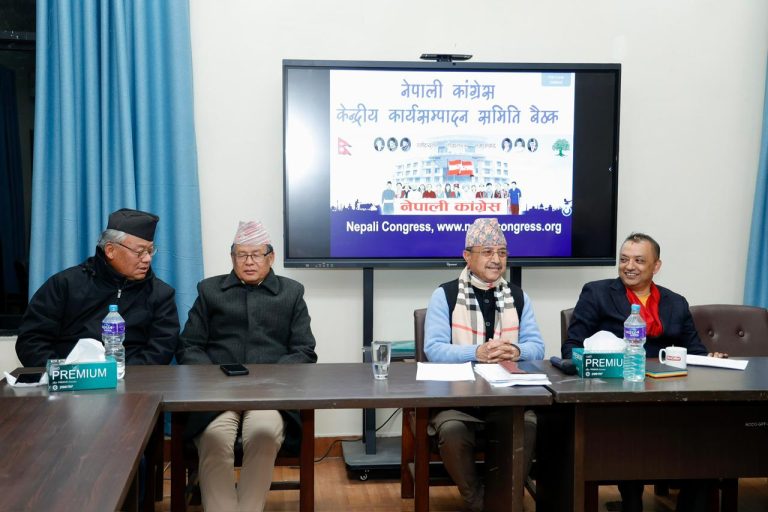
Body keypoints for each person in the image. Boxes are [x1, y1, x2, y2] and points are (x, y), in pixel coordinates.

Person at [562, 232, 725, 512]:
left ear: (656, 266)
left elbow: (695, 352)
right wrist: (605, 364)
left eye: (639, 260)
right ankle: (631, 502)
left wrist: (711, 358)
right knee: (633, 426)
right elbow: (571, 347)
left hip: (671, 397)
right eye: (624, 259)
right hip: (618, 396)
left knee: (706, 431)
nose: (629, 266)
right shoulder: (597, 293)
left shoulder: (675, 302)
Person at [176, 220, 317, 512]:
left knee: (263, 435)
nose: (249, 262)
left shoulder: (291, 293)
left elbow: (304, 350)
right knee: (214, 439)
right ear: (232, 257)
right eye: (242, 255)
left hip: (270, 396)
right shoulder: (210, 291)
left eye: (256, 254)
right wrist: (216, 378)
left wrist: (268, 380)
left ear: (271, 257)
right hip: (217, 395)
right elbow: (189, 347)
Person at [424, 218, 545, 512]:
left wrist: (515, 350)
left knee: (529, 425)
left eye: (502, 253)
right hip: (459, 401)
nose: (496, 259)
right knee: (452, 430)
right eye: (487, 252)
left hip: (509, 400)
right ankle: (478, 501)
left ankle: (507, 498)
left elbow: (538, 347)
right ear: (467, 256)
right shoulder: (445, 295)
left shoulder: (518, 297)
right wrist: (476, 352)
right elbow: (434, 350)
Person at [16, 208, 179, 366]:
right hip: (70, 378)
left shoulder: (160, 294)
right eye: (140, 252)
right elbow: (31, 341)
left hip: (133, 378)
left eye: (150, 251)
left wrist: (120, 375)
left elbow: (161, 349)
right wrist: (63, 372)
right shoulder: (65, 285)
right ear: (110, 250)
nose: (147, 259)